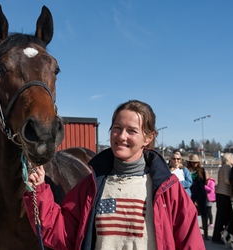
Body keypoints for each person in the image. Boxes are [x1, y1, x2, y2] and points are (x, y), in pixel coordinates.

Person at [23, 100, 204, 250]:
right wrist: (38, 192)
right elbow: (62, 234)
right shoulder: (90, 186)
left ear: (148, 138)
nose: (122, 136)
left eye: (132, 130)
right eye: (117, 128)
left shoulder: (168, 189)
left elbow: (191, 243)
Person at [212, 153, 233, 244]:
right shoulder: (227, 168)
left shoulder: (222, 167)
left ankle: (217, 235)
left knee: (220, 215)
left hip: (220, 193)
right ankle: (227, 236)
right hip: (224, 193)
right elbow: (226, 180)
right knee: (228, 216)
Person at [187, 153, 209, 240]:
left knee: (204, 213)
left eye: (196, 162)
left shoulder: (202, 171)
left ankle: (206, 233)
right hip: (191, 194)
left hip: (200, 193)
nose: (194, 164)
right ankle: (192, 233)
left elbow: (205, 183)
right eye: (192, 162)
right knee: (190, 213)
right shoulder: (187, 170)